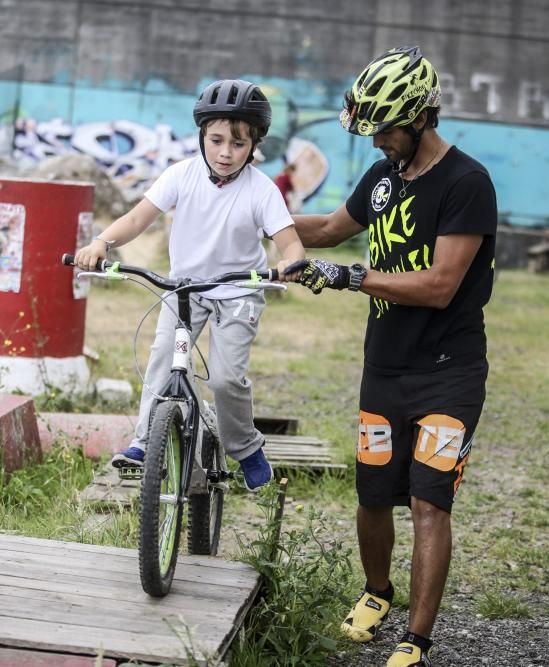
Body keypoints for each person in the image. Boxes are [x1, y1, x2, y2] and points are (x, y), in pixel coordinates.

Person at [286, 46, 497, 667]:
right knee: (374, 493)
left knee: (430, 499)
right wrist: (252, 217)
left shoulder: (467, 183)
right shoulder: (384, 176)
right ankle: (377, 594)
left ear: (418, 119)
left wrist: (350, 279)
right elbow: (326, 228)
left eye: (384, 128)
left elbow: (439, 286)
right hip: (384, 368)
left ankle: (417, 637)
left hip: (449, 374)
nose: (376, 140)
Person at [74, 79, 305, 491]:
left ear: (254, 145)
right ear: (201, 136)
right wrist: (100, 242)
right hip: (185, 292)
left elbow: (288, 240)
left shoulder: (262, 191)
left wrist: (291, 261)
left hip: (238, 294)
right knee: (164, 357)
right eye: (216, 140)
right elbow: (136, 219)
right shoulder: (181, 175)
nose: (225, 152)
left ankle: (246, 446)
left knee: (225, 378)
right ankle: (145, 441)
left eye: (238, 144)